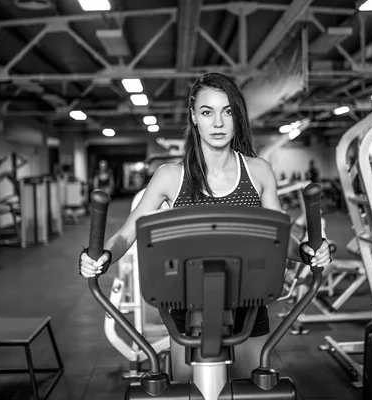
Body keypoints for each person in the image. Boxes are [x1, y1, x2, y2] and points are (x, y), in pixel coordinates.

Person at [79, 72, 331, 380]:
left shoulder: (258, 172)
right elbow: (128, 233)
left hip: (247, 305)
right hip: (186, 307)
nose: (218, 123)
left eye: (227, 112)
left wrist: (307, 252)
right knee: (189, 392)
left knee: (250, 388)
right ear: (194, 117)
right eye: (207, 112)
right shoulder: (170, 176)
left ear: (237, 117)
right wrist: (102, 256)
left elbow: (279, 238)